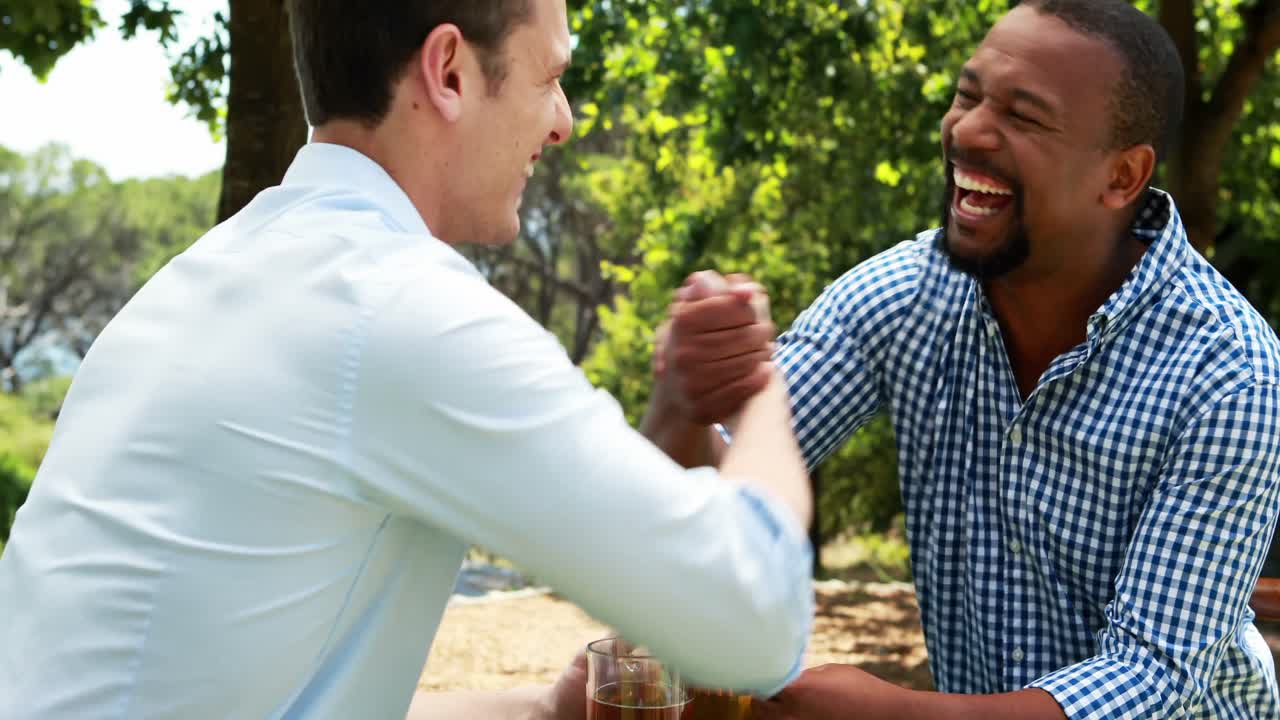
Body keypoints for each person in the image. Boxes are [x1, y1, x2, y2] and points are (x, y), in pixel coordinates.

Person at [0, 1, 818, 718]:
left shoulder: (192, 288)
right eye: (548, 77)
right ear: (450, 72)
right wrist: (758, 382)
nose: (563, 120)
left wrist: (538, 707)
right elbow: (751, 621)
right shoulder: (398, 309)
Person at [645, 1, 1280, 718]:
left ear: (1122, 177)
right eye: (968, 94)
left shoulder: (1231, 372)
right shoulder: (904, 296)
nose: (968, 130)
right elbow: (725, 501)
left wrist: (899, 713)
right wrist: (686, 402)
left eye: (1025, 116)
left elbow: (1154, 674)